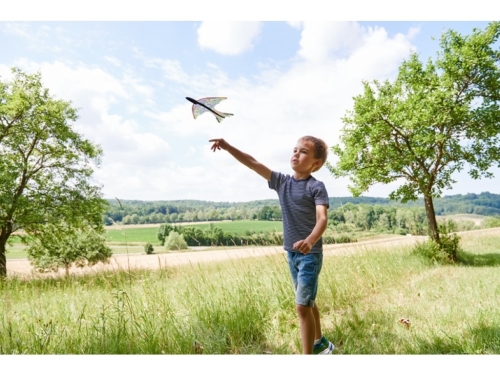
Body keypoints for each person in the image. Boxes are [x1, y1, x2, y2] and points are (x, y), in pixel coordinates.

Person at [209, 136, 334, 355]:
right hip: (292, 254)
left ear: (316, 164)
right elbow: (253, 162)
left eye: (303, 152)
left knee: (301, 306)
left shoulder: (316, 187)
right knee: (307, 301)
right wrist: (228, 147)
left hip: (310, 255)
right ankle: (320, 343)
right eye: (294, 150)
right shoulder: (282, 182)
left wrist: (310, 240)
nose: (296, 154)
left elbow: (322, 219)